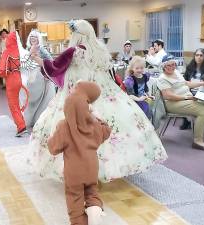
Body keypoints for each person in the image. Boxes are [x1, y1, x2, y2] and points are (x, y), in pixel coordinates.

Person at [28, 19, 167, 183]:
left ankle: (82, 170)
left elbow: (52, 68)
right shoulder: (100, 50)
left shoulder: (73, 51)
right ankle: (107, 168)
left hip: (76, 97)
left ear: (77, 34)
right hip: (104, 96)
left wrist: (36, 57)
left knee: (73, 131)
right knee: (111, 130)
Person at [48, 81, 111, 225]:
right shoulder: (94, 125)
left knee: (74, 197)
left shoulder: (64, 126)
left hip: (74, 172)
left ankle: (79, 222)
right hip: (91, 168)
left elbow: (53, 148)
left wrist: (51, 138)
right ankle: (95, 212)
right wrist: (96, 116)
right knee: (92, 192)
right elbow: (107, 131)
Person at [157, 55, 204, 151]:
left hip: (187, 98)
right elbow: (168, 96)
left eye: (173, 64)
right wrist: (185, 98)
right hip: (172, 103)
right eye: (169, 66)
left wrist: (202, 83)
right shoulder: (162, 78)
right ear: (163, 67)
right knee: (203, 110)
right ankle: (198, 141)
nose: (172, 67)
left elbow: (187, 83)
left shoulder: (176, 72)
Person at [24, 29, 56, 128]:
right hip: (31, 78)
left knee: (42, 101)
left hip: (41, 78)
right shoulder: (27, 49)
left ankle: (40, 120)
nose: (33, 39)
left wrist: (41, 63)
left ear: (39, 39)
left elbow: (50, 61)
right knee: (31, 101)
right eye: (31, 37)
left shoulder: (41, 49)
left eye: (35, 38)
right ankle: (32, 120)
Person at [0, 31, 28, 137]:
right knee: (18, 102)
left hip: (11, 79)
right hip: (20, 77)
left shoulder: (7, 52)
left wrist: (5, 75)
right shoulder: (21, 51)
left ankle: (21, 126)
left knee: (13, 104)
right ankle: (22, 123)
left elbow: (2, 70)